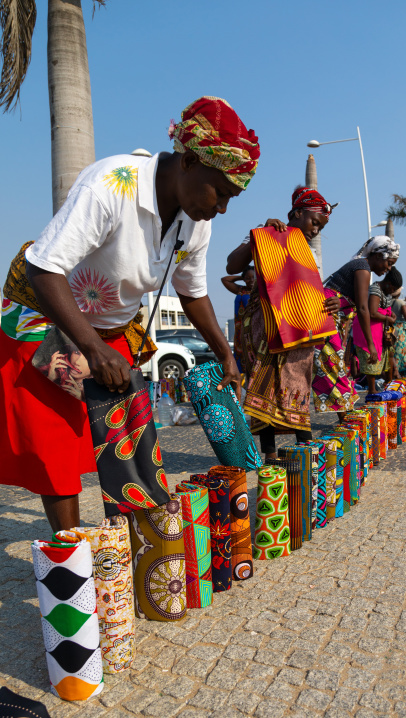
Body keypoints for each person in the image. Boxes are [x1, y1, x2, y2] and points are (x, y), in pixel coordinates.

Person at [0, 96, 260, 532]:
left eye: (232, 198)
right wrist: (93, 349)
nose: (223, 208)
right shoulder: (110, 185)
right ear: (190, 161)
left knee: (130, 446)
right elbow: (43, 267)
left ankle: (135, 561)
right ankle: (73, 567)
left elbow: (192, 292)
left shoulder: (198, 220)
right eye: (222, 192)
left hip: (107, 330)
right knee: (58, 450)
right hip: (45, 319)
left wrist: (225, 353)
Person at [226, 186, 335, 460]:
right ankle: (271, 456)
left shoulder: (305, 252)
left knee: (298, 378)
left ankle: (305, 451)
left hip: (298, 327)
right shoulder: (268, 236)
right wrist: (261, 233)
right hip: (264, 327)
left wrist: (331, 304)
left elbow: (309, 292)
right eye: (314, 222)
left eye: (320, 227)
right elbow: (231, 265)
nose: (315, 230)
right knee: (264, 382)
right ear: (297, 213)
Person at [312, 235, 400, 419]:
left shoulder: (362, 267)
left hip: (330, 317)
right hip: (326, 317)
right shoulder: (362, 268)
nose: (388, 269)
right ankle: (347, 419)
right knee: (332, 365)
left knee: (333, 365)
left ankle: (346, 416)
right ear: (377, 256)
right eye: (389, 263)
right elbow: (362, 308)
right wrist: (370, 344)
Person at [352, 267, 402, 394]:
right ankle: (372, 390)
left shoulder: (387, 293)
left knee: (385, 356)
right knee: (371, 358)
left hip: (380, 328)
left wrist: (391, 316)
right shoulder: (375, 289)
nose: (393, 291)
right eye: (392, 288)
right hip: (369, 328)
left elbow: (386, 309)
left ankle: (385, 384)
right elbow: (373, 313)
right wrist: (388, 318)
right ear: (388, 283)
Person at [221, 265, 256, 372]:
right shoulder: (241, 290)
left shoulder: (262, 291)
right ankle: (241, 388)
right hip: (240, 333)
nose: (251, 280)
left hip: (255, 331)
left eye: (253, 277)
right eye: (248, 278)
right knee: (241, 363)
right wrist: (242, 277)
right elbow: (225, 279)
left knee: (255, 363)